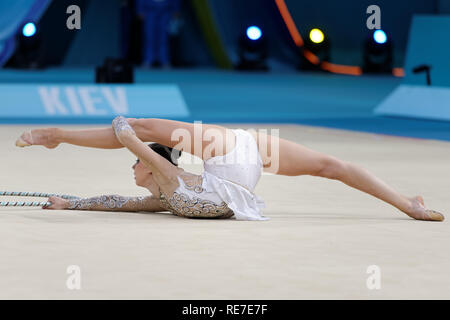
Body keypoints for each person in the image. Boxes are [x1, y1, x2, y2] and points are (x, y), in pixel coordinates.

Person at [15, 117, 445, 222]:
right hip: (241, 165)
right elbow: (121, 203)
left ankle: (407, 204)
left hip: (229, 159)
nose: (133, 170)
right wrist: (71, 204)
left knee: (331, 166)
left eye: (137, 165)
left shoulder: (165, 178)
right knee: (329, 166)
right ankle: (407, 203)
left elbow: (133, 139)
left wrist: (123, 123)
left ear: (155, 163)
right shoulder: (161, 193)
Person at [136, 0, 180, 68]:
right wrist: (140, 10)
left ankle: (165, 60)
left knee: (164, 37)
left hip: (165, 10)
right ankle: (148, 59)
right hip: (150, 10)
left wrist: (176, 9)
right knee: (149, 37)